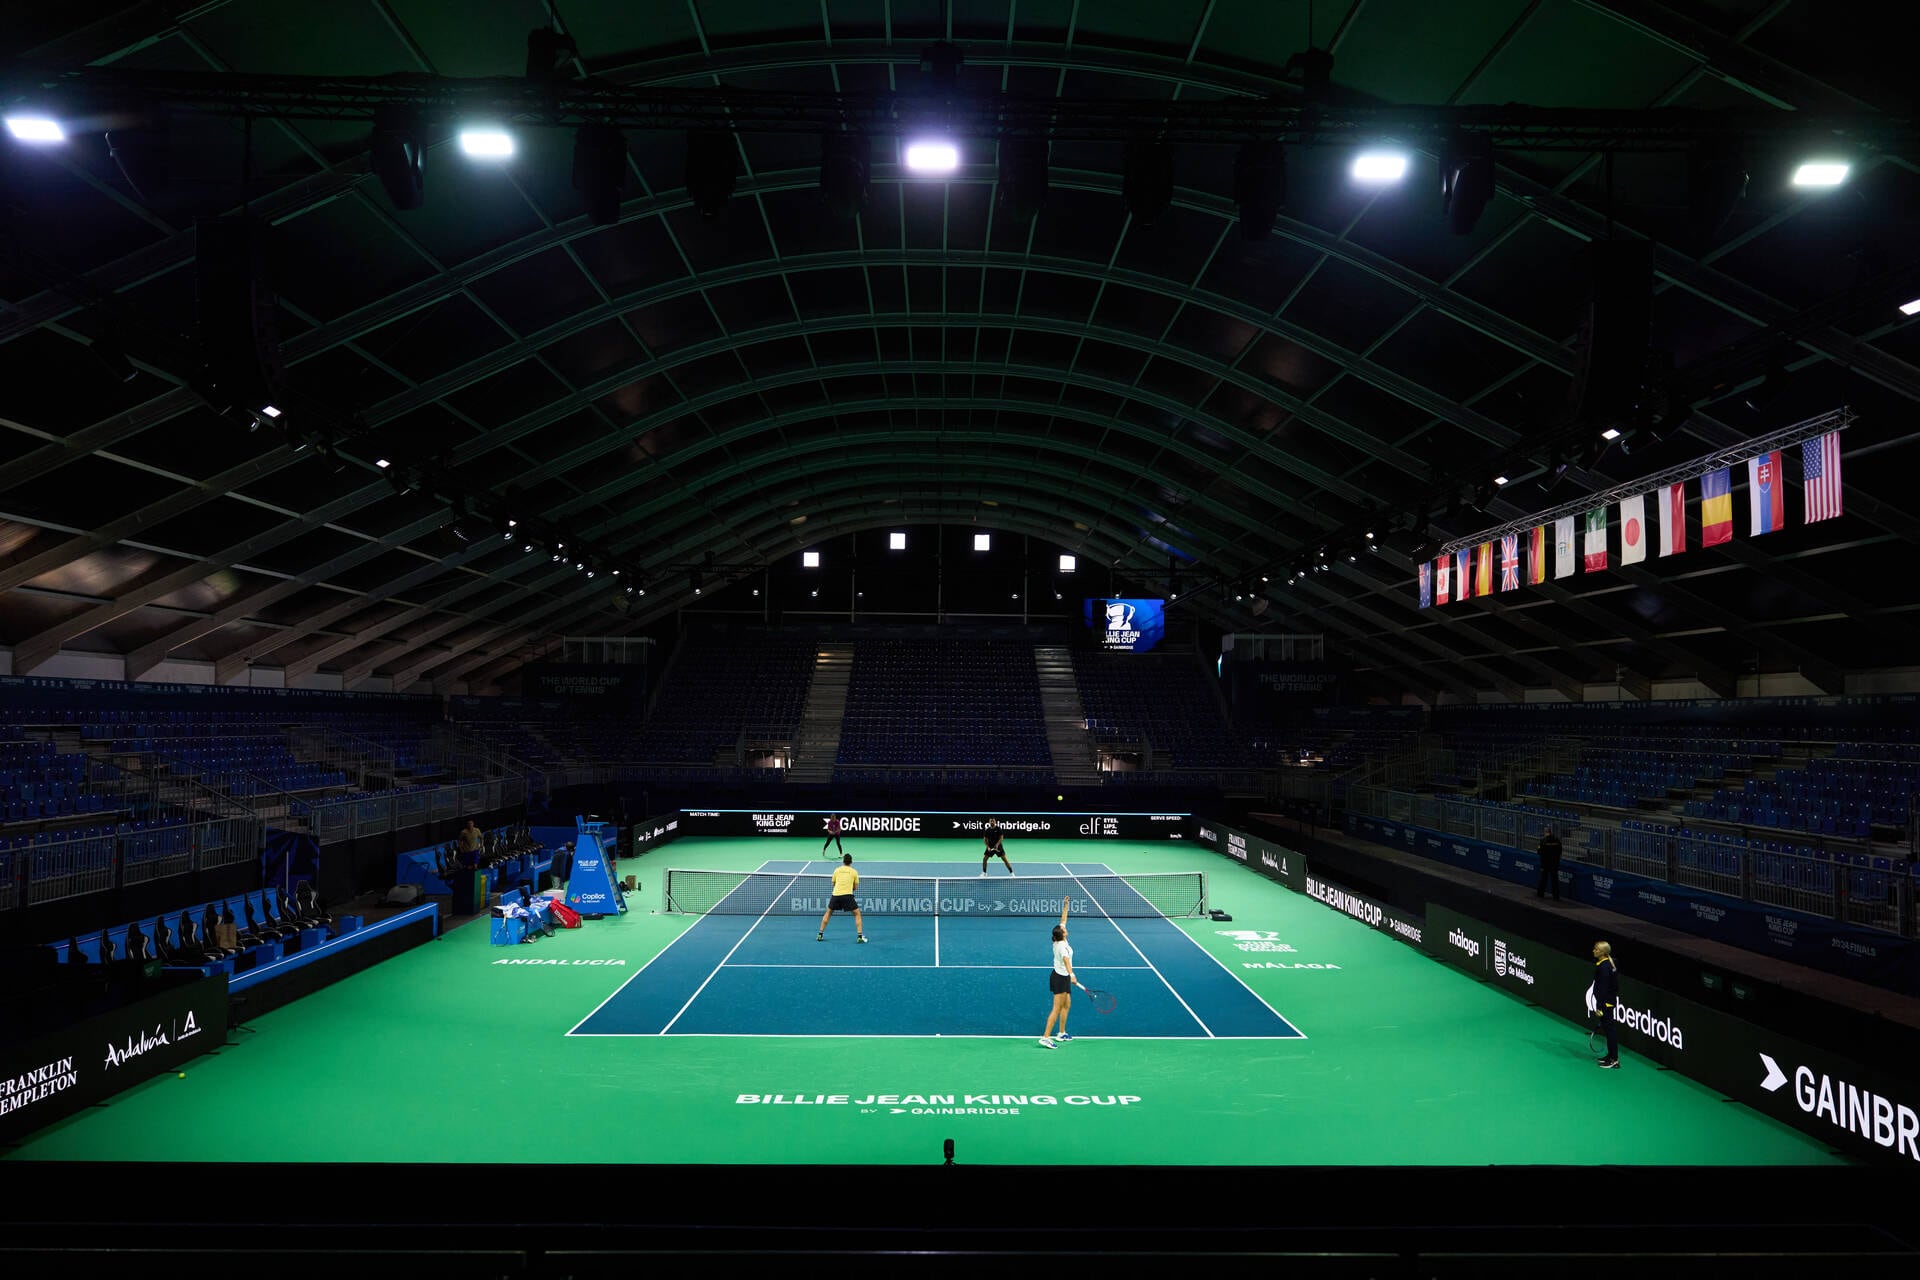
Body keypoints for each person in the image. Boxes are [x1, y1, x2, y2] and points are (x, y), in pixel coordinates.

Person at [1039, 896, 1085, 1048]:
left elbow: (1063, 919)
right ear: (1062, 934)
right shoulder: (1061, 947)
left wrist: (1066, 905)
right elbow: (1066, 962)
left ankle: (1061, 1033)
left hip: (1062, 977)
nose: (1066, 928)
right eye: (1064, 929)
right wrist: (1072, 975)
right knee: (1057, 1008)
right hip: (1060, 978)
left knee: (1067, 1005)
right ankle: (1045, 1037)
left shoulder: (1061, 939)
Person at [816, 853, 867, 944]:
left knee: (828, 913)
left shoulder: (837, 870)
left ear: (843, 861)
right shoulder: (854, 872)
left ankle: (820, 934)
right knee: (857, 914)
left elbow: (834, 884)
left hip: (836, 895)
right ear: (851, 862)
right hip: (848, 895)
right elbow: (855, 887)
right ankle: (859, 936)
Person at [1588, 940, 1620, 1068]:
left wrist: (1600, 1006)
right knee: (1608, 1030)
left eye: (1596, 949)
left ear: (1603, 952)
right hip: (1608, 1002)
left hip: (1605, 1003)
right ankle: (1610, 1056)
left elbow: (1603, 988)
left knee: (1610, 1031)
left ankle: (1614, 1060)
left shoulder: (1604, 968)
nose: (1593, 951)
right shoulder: (1607, 963)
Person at [1536, 826, 1563, 901]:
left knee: (1543, 879)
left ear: (1545, 832)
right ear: (1551, 832)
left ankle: (1540, 894)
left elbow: (1539, 851)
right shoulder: (1557, 840)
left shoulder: (1543, 840)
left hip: (1545, 863)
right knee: (1555, 880)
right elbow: (1560, 851)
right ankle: (1556, 896)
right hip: (1555, 863)